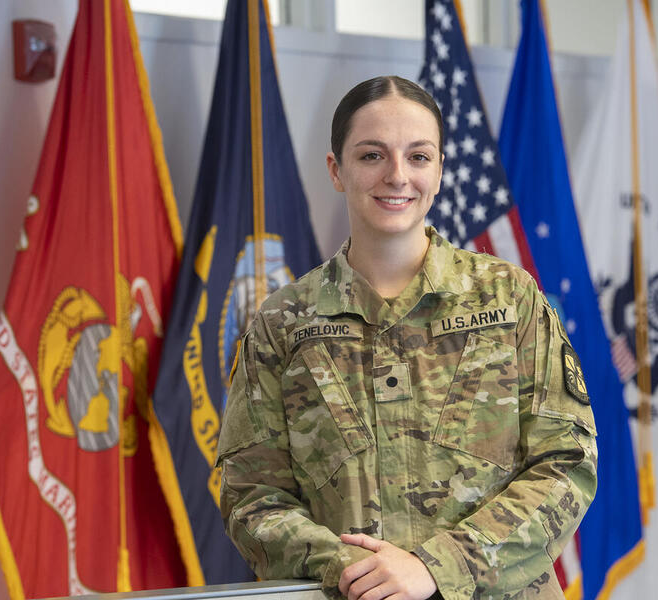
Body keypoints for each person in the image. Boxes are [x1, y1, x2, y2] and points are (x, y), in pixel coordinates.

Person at [215, 75, 597, 600]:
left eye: (418, 157)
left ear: (439, 170)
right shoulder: (283, 324)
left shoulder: (510, 300)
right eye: (372, 155)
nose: (397, 176)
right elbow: (251, 496)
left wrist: (436, 567)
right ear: (336, 170)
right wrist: (355, 571)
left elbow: (566, 463)